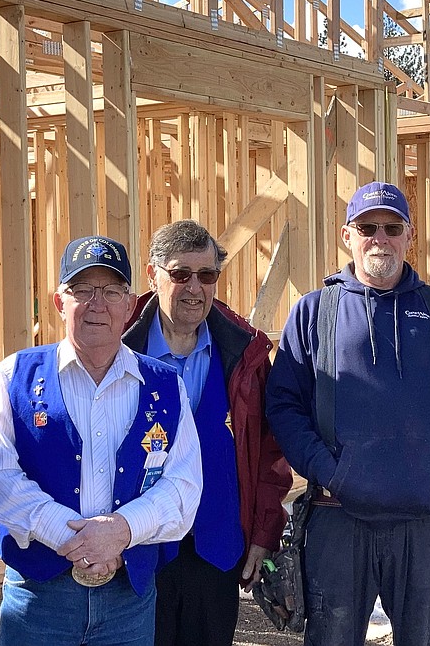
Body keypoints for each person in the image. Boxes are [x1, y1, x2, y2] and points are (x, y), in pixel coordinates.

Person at [266, 181, 430, 646]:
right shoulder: (314, 312)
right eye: (368, 227)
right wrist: (330, 470)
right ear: (347, 235)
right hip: (338, 518)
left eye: (392, 227)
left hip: (424, 520)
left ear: (410, 235)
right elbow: (284, 405)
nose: (380, 238)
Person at [0, 234, 202, 646]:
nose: (98, 304)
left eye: (112, 291)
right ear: (60, 302)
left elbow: (183, 485)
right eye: (82, 290)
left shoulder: (166, 385)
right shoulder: (14, 376)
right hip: (38, 599)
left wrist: (122, 530)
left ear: (130, 305)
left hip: (127, 601)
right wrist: (72, 537)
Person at [122, 220, 292, 646]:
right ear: (152, 275)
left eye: (207, 275)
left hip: (216, 550)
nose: (194, 288)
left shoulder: (244, 356)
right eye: (180, 275)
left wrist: (263, 534)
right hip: (138, 554)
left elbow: (271, 454)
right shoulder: (117, 348)